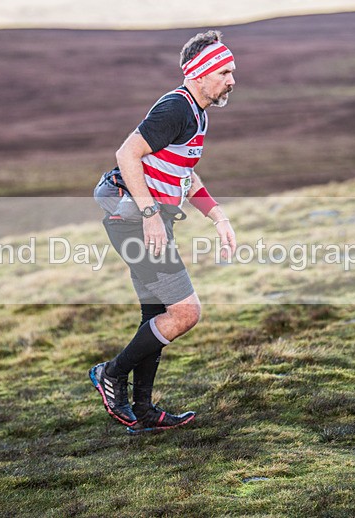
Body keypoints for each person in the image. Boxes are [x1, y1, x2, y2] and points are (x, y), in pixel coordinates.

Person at [90, 30, 237, 435]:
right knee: (186, 312)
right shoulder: (176, 107)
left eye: (232, 72)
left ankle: (143, 411)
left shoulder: (198, 114)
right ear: (201, 72)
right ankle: (110, 374)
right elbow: (127, 153)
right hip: (135, 222)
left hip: (146, 221)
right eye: (224, 72)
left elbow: (183, 174)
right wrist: (150, 213)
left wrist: (218, 216)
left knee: (156, 316)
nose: (232, 80)